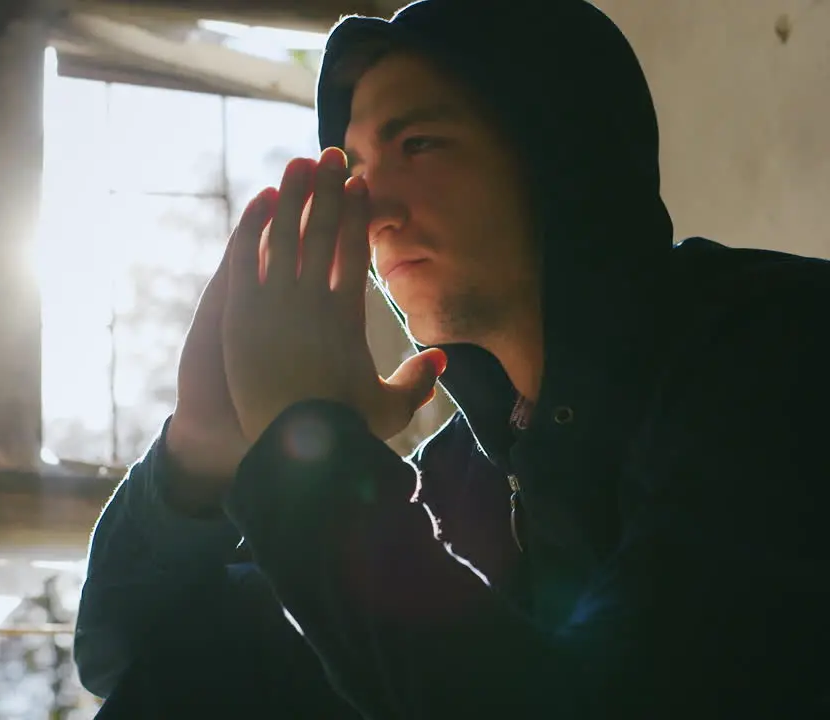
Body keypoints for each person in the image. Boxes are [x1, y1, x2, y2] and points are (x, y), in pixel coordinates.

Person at [74, 0, 830, 717]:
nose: (375, 208)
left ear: (561, 154)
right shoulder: (466, 474)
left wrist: (311, 463)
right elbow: (135, 665)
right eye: (359, 168)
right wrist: (205, 454)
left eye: (420, 145)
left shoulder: (776, 349)